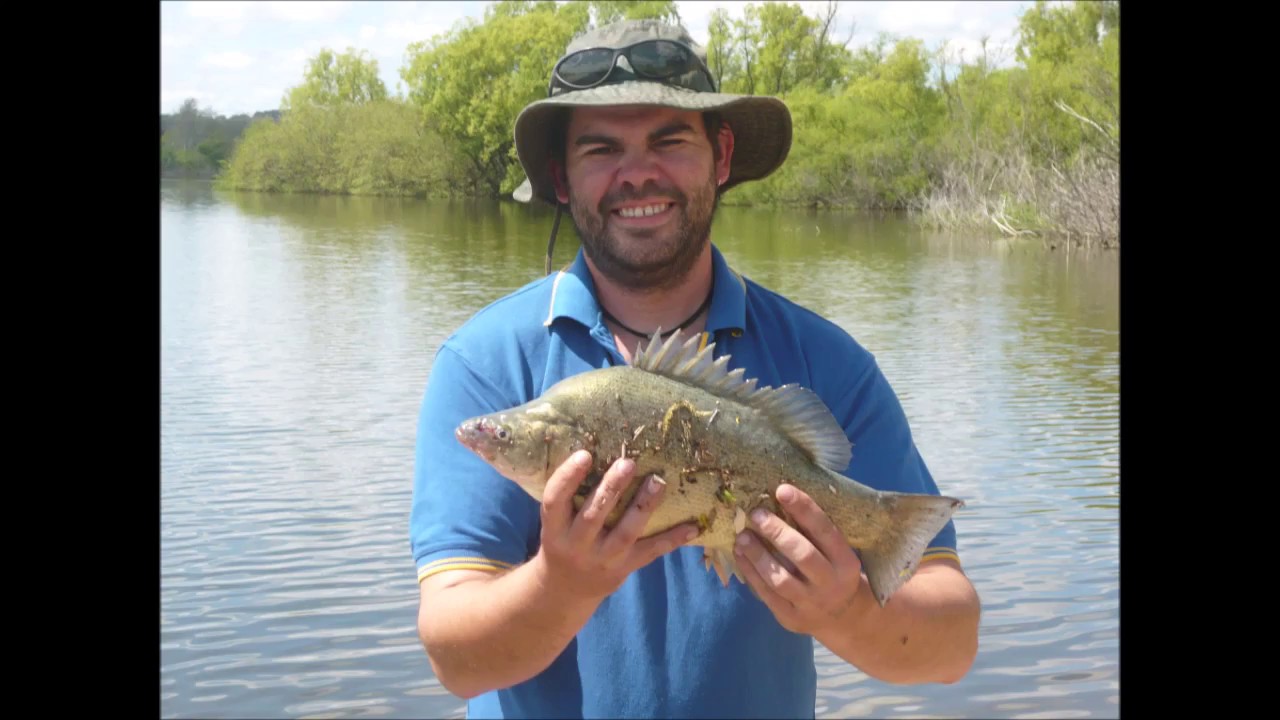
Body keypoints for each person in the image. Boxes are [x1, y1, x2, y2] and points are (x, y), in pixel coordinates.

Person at [410, 18, 980, 719]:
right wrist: (562, 585)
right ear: (561, 177)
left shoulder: (826, 361)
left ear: (720, 156)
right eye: (601, 148)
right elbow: (454, 661)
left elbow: (952, 646)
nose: (637, 173)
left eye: (669, 140)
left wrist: (849, 614)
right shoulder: (485, 363)